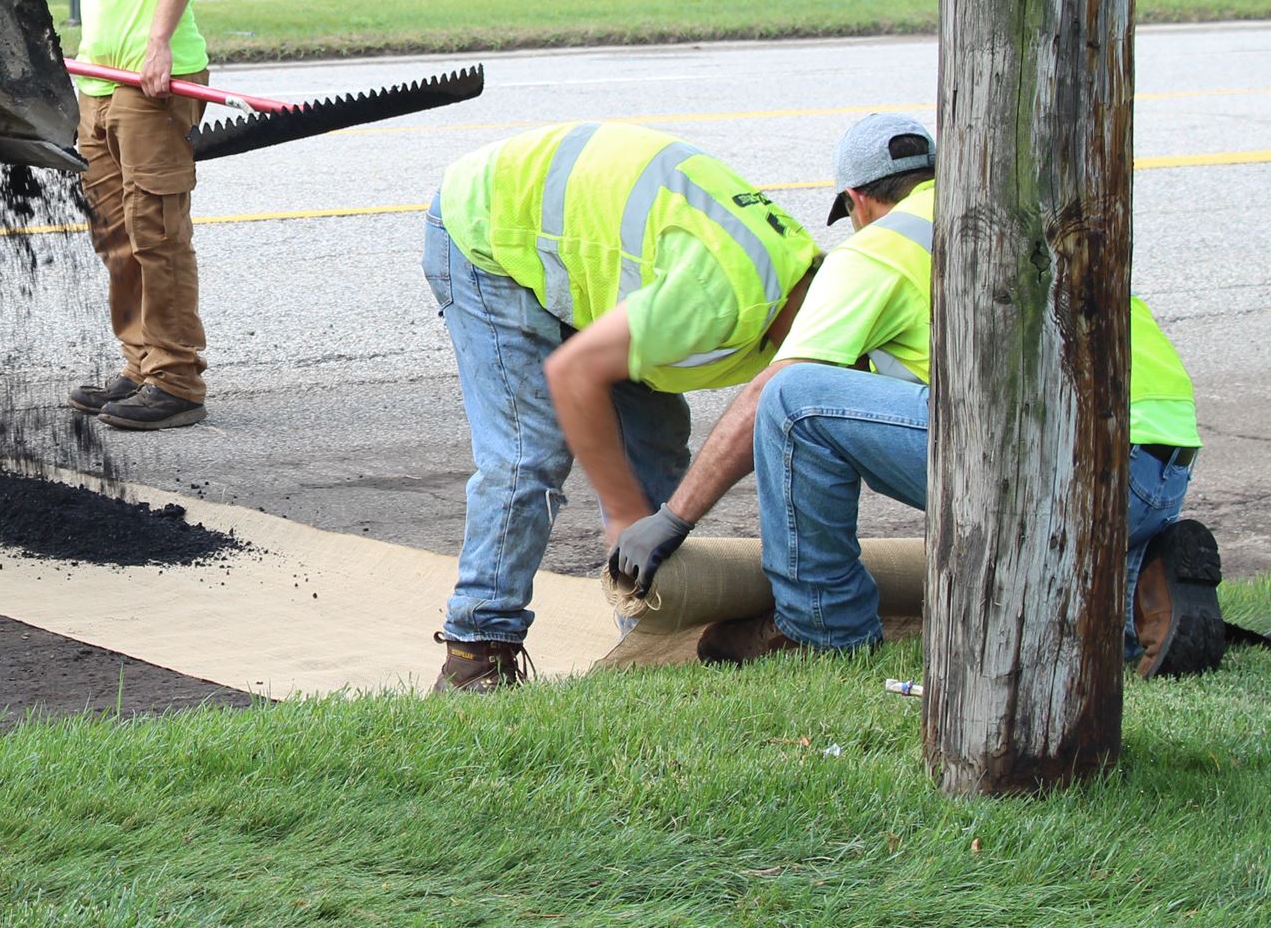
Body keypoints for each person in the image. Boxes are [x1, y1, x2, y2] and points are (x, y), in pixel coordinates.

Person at [609, 113, 1222, 675]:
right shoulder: (1015, 212)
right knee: (1067, 635)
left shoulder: (878, 246)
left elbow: (770, 393)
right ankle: (1142, 584)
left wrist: (669, 519)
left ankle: (821, 625)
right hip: (1152, 470)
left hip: (1066, 474)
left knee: (797, 400)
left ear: (857, 199)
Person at [425, 121, 823, 690]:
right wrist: (620, 512)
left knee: (655, 451)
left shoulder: (810, 286)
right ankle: (475, 655)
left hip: (595, 258)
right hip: (492, 230)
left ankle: (651, 638)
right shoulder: (717, 302)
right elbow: (575, 373)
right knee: (528, 453)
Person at [20, 0, 213, 432]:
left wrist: (160, 43)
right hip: (97, 77)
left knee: (155, 229)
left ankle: (177, 380)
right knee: (114, 231)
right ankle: (140, 366)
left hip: (152, 73)